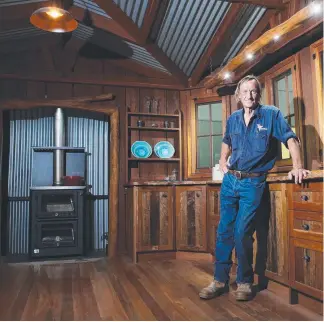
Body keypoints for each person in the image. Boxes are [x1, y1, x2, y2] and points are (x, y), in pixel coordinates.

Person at [199, 75, 310, 301]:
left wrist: (298, 166)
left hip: (254, 182)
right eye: (245, 92)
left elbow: (291, 139)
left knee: (242, 232)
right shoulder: (233, 119)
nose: (250, 95)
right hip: (231, 181)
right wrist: (222, 161)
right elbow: (227, 141)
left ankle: (244, 282)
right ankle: (219, 280)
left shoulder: (271, 114)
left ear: (258, 94)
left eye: (254, 91)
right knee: (224, 231)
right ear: (238, 96)